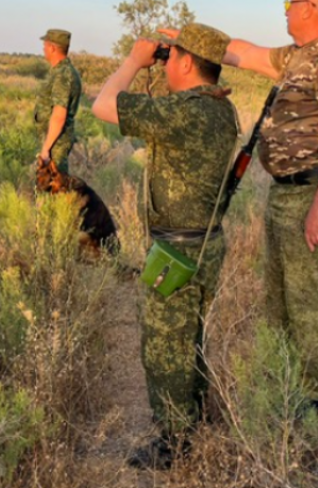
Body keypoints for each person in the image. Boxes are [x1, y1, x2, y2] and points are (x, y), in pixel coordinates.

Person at [171, 0, 318, 408]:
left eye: (289, 4)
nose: (285, 12)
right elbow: (244, 52)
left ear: (310, 7)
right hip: (286, 193)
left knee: (308, 300)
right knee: (279, 298)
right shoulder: (299, 55)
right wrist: (191, 39)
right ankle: (286, 383)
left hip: (308, 195)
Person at [92, 23, 238, 470]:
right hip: (207, 243)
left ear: (188, 62)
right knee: (190, 340)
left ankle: (174, 443)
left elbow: (102, 105)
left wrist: (136, 61)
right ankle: (192, 424)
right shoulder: (221, 110)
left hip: (177, 250)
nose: (168, 63)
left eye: (172, 56)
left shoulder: (185, 112)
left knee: (164, 349)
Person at [34, 28, 82, 174]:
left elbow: (59, 115)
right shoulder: (60, 71)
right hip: (52, 140)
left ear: (53, 48)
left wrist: (46, 149)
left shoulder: (63, 75)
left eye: (45, 45)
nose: (43, 48)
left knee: (54, 187)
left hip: (56, 143)